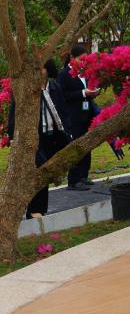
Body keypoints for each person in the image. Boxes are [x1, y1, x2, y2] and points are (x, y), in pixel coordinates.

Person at [7, 60, 70, 218]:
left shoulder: (55, 87)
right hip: (34, 137)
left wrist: (68, 131)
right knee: (39, 170)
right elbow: (14, 113)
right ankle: (34, 210)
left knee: (47, 173)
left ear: (48, 70)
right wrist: (13, 137)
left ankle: (41, 209)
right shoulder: (26, 89)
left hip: (54, 136)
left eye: (41, 68)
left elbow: (63, 111)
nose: (37, 71)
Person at [58, 45, 101, 191]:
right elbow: (63, 96)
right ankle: (73, 180)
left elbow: (89, 89)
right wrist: (83, 93)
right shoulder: (64, 74)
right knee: (76, 147)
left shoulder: (85, 72)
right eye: (81, 59)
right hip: (73, 117)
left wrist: (94, 92)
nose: (83, 62)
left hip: (87, 114)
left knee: (87, 146)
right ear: (72, 58)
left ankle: (83, 175)